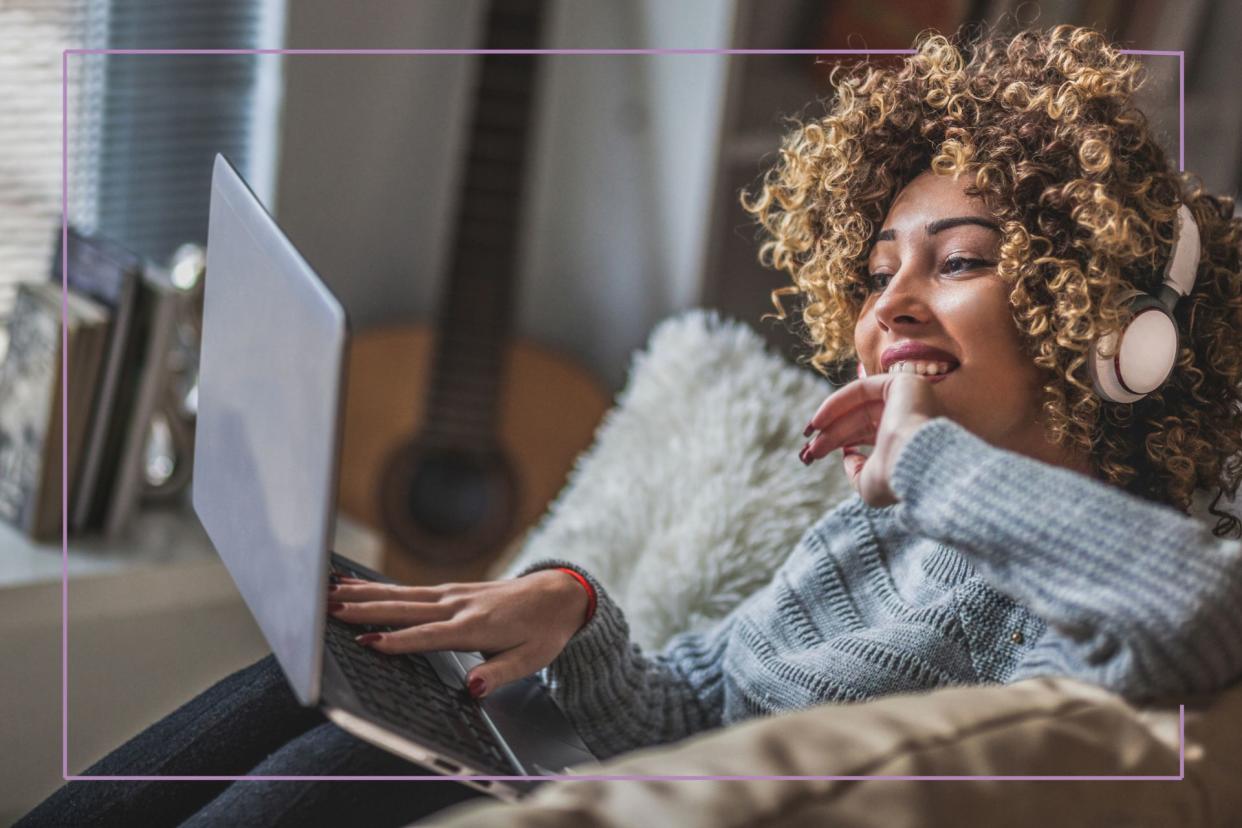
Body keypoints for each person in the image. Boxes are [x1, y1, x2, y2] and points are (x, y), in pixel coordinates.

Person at [20, 23, 1242, 826]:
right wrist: (579, 622)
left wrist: (924, 462)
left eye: (959, 261)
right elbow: (705, 707)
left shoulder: (1059, 566)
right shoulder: (869, 531)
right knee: (345, 644)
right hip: (615, 775)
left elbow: (1194, 618)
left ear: (1100, 322)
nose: (893, 305)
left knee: (357, 755)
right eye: (875, 274)